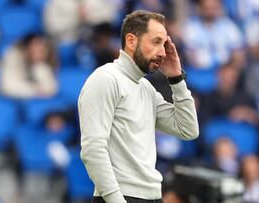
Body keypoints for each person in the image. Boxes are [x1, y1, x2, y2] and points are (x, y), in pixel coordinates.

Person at [78, 10, 199, 203]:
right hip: (121, 198)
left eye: (165, 44)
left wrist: (176, 78)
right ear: (131, 41)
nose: (162, 52)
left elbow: (188, 129)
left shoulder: (146, 88)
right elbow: (93, 149)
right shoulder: (106, 79)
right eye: (156, 42)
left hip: (152, 197)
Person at [0, 34, 58, 99]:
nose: (37, 52)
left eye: (41, 50)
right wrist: (36, 91)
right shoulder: (14, 56)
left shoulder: (43, 66)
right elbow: (7, 87)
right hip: (13, 100)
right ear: (26, 48)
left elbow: (51, 89)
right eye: (34, 48)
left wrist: (39, 67)